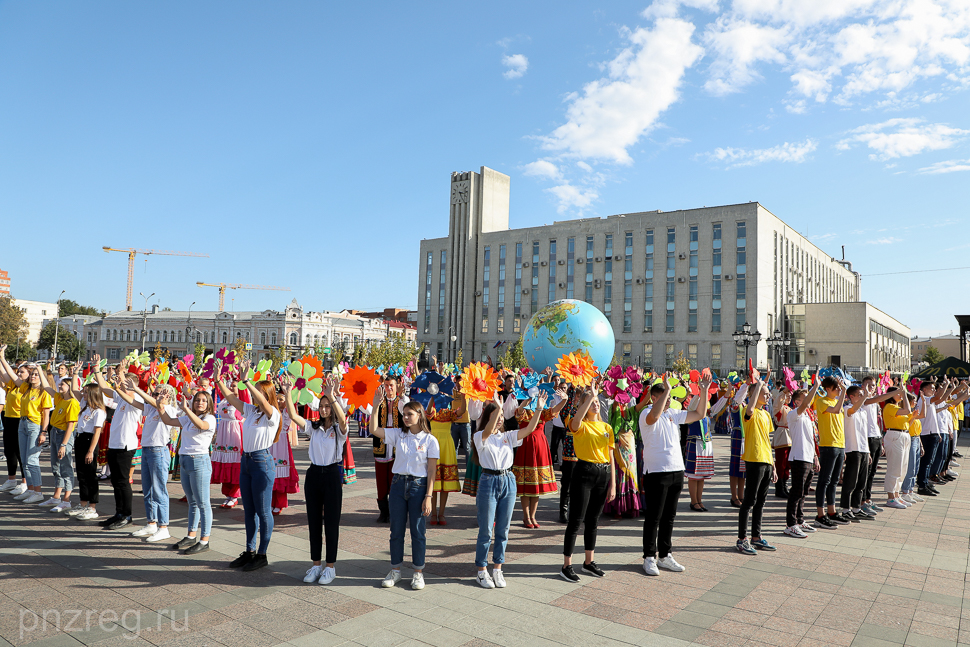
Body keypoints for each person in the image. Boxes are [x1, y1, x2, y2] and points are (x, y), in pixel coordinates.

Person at [473, 392, 549, 589]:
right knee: (486, 530)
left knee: (503, 529)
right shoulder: (480, 436)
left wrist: (539, 408)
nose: (499, 420)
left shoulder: (508, 436)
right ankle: (481, 570)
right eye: (495, 417)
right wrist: (498, 407)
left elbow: (530, 429)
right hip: (489, 481)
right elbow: (488, 431)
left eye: (500, 417)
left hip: (508, 480)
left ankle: (497, 568)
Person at [639, 372, 712, 575]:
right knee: (654, 517)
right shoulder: (646, 414)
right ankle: (649, 557)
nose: (670, 400)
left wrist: (704, 390)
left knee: (669, 517)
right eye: (666, 397)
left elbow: (699, 414)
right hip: (656, 472)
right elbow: (654, 416)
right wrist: (668, 389)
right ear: (654, 398)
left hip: (676, 471)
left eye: (670, 397)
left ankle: (664, 555)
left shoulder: (672, 414)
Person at [369, 384, 439, 591]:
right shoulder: (398, 434)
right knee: (396, 531)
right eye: (404, 414)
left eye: (409, 414)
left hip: (419, 486)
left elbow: (432, 471)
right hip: (398, 485)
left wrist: (429, 496)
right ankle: (395, 570)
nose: (406, 417)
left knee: (418, 532)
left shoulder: (430, 440)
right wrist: (375, 407)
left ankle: (418, 572)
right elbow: (374, 430)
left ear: (420, 415)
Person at [215, 361, 283, 572]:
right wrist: (218, 380)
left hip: (262, 462)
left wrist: (247, 381)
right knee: (249, 511)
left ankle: (262, 554)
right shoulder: (252, 411)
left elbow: (263, 402)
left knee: (263, 512)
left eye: (260, 393)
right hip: (246, 461)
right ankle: (250, 551)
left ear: (267, 395)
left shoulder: (273, 414)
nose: (254, 396)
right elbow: (230, 398)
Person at [284, 375, 347, 586]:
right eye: (322, 406)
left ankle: (330, 567)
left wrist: (332, 396)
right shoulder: (313, 427)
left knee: (331, 523)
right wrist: (287, 391)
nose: (324, 409)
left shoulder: (338, 430)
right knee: (313, 522)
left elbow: (344, 421)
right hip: (313, 475)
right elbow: (293, 415)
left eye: (328, 406)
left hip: (331, 475)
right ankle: (316, 564)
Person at [560, 379, 619, 583]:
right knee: (576, 520)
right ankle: (567, 565)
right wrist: (590, 395)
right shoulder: (580, 425)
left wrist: (613, 483)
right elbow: (575, 422)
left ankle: (588, 562)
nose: (596, 403)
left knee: (593, 521)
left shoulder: (606, 427)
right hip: (584, 471)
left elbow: (611, 457)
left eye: (596, 401)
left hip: (602, 474)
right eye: (591, 401)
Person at [157, 389, 216, 554]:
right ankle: (191, 535)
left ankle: (205, 540)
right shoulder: (188, 418)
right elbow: (168, 420)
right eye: (197, 400)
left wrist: (187, 409)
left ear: (209, 404)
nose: (200, 403)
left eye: (204, 400)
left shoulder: (209, 418)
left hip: (199, 462)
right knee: (192, 502)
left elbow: (201, 425)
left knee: (203, 503)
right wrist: (159, 405)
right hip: (185, 461)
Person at [91, 359, 143, 530]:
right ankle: (119, 513)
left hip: (125, 445)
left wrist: (121, 372)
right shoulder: (120, 397)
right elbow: (105, 389)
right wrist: (97, 370)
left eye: (124, 383)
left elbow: (125, 393)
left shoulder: (134, 398)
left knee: (123, 482)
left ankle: (127, 515)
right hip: (115, 444)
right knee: (115, 481)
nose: (120, 385)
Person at [126, 382, 179, 542]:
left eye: (157, 394)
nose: (154, 397)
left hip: (159, 451)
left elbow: (151, 402)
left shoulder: (169, 410)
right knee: (147, 489)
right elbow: (132, 402)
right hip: (148, 450)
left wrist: (136, 389)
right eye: (154, 394)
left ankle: (164, 527)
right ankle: (151, 523)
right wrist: (120, 388)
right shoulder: (151, 408)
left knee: (159, 490)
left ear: (167, 395)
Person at [736, 377, 777, 555]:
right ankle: (742, 539)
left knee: (761, 502)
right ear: (755, 394)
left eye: (768, 394)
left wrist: (773, 465)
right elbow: (750, 409)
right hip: (754, 459)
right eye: (765, 394)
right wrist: (758, 384)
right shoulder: (748, 410)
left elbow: (768, 440)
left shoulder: (766, 414)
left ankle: (756, 537)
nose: (768, 397)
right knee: (749, 502)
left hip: (766, 460)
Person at [37, 368, 79, 512]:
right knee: (56, 466)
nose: (59, 386)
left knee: (65, 466)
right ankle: (56, 496)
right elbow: (47, 387)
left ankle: (66, 499)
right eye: (60, 384)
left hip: (63, 436)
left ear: (69, 387)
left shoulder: (73, 403)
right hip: (54, 432)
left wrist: (64, 444)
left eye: (63, 385)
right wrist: (39, 370)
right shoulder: (60, 398)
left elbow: (70, 426)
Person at [813, 376, 848, 529]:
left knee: (834, 481)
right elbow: (836, 410)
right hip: (828, 445)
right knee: (824, 481)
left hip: (839, 445)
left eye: (840, 388)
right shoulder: (821, 401)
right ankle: (820, 515)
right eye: (837, 388)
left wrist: (843, 448)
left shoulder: (836, 401)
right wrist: (844, 392)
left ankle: (832, 512)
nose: (839, 390)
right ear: (828, 389)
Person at [71, 383, 108, 520]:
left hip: (89, 441)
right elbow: (74, 390)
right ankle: (83, 504)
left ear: (93, 394)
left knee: (90, 475)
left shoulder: (99, 411)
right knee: (81, 474)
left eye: (86, 392)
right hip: (80, 439)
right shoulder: (85, 406)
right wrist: (75, 373)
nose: (83, 394)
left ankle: (92, 507)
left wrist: (91, 451)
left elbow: (97, 432)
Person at [785, 388, 818, 537]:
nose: (808, 401)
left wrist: (815, 457)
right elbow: (805, 404)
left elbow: (811, 439)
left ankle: (800, 520)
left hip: (808, 458)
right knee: (796, 492)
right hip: (798, 457)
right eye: (805, 399)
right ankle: (790, 524)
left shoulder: (807, 417)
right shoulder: (793, 414)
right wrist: (815, 386)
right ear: (797, 401)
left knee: (804, 492)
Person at [372, 376, 406, 523]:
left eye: (391, 385)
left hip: (396, 448)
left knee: (394, 480)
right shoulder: (379, 401)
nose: (389, 388)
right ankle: (383, 511)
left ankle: (393, 511)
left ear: (397, 386)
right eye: (386, 385)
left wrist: (403, 396)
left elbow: (407, 410)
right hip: (381, 446)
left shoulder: (402, 401)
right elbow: (366, 409)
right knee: (381, 482)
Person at [426, 395, 464, 525]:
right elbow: (429, 409)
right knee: (434, 481)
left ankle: (441, 513)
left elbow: (462, 411)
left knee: (444, 483)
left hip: (447, 446)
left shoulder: (449, 413)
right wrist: (433, 395)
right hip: (433, 445)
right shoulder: (432, 412)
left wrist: (463, 397)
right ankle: (433, 513)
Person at [839, 385, 874, 519]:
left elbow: (864, 432)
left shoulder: (863, 412)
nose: (862, 396)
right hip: (853, 449)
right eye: (859, 395)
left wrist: (868, 452)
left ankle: (856, 507)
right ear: (851, 397)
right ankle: (845, 509)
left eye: (862, 394)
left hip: (864, 449)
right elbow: (853, 409)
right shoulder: (847, 408)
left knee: (861, 482)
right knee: (850, 481)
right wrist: (865, 395)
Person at [0, 354, 29, 495]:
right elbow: (5, 375)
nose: (18, 374)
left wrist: (3, 358)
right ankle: (11, 480)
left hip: (20, 420)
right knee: (9, 450)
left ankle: (24, 482)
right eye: (18, 372)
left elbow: (10, 373)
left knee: (20, 452)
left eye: (22, 372)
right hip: (8, 419)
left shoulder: (25, 387)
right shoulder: (12, 386)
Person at [211, 393, 244, 509]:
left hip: (235, 433)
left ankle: (234, 495)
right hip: (223, 435)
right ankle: (227, 494)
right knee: (224, 463)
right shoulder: (224, 400)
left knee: (235, 463)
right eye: (231, 386)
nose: (233, 388)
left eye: (235, 386)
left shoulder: (242, 401)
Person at [270, 389, 299, 516]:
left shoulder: (286, 413)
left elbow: (292, 405)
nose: (278, 401)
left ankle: (280, 503)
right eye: (277, 398)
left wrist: (289, 394)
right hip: (270, 443)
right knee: (270, 473)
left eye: (281, 399)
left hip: (281, 444)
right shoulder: (271, 411)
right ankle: (270, 502)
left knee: (281, 472)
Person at [771, 388, 792, 499]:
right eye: (787, 395)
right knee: (781, 463)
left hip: (789, 436)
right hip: (782, 436)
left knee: (787, 464)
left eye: (790, 395)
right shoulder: (779, 408)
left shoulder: (790, 408)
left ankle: (785, 486)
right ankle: (779, 488)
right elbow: (777, 403)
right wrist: (783, 392)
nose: (789, 397)